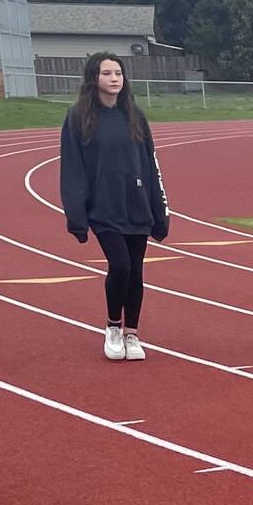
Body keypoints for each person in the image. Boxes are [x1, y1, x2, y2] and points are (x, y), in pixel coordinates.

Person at [60, 52, 167, 361]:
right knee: (120, 266)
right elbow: (72, 167)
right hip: (104, 207)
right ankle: (113, 327)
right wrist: (77, 214)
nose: (114, 79)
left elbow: (150, 164)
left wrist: (159, 210)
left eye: (118, 73)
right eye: (107, 73)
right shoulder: (78, 117)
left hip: (136, 204)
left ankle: (132, 333)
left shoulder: (135, 116)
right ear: (94, 78)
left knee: (136, 271)